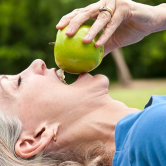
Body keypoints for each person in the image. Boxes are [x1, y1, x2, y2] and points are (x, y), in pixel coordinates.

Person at [0, 0, 166, 166]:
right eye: (18, 82)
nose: (38, 63)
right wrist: (159, 17)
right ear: (34, 139)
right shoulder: (152, 132)